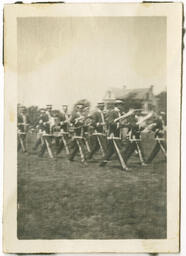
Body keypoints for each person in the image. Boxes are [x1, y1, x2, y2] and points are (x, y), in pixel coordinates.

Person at [99, 100, 128, 171]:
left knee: (110, 151)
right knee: (119, 150)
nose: (122, 106)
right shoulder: (112, 112)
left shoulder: (118, 113)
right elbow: (110, 122)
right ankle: (124, 166)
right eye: (121, 105)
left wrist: (123, 124)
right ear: (117, 105)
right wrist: (121, 124)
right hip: (113, 135)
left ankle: (102, 163)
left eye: (122, 105)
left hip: (117, 134)